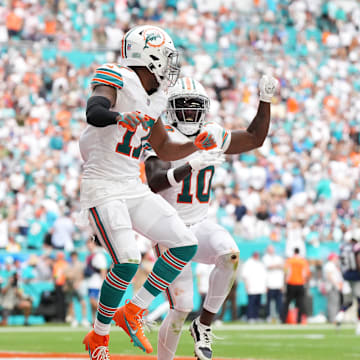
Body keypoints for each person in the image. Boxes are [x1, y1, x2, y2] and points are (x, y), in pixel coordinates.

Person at [79, 25, 218, 359]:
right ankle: (99, 338)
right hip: (103, 186)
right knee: (127, 260)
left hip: (131, 185)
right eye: (166, 57)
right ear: (149, 56)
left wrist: (193, 144)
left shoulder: (156, 98)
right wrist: (119, 116)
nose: (171, 65)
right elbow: (94, 111)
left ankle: (135, 310)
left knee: (184, 242)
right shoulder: (118, 76)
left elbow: (165, 148)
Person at [144, 75, 278, 360]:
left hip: (200, 223)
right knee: (179, 309)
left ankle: (203, 325)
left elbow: (255, 138)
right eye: (184, 106)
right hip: (169, 227)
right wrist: (190, 165)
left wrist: (265, 101)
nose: (191, 113)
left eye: (195, 107)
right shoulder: (162, 135)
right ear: (170, 108)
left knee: (229, 254)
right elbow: (154, 181)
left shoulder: (212, 133)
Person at [335, 229, 360, 335]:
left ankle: (339, 316)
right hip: (356, 276)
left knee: (348, 301)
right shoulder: (356, 247)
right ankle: (359, 326)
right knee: (359, 301)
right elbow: (358, 260)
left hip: (345, 276)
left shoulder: (342, 247)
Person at [282, 247, 310, 324]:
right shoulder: (303, 261)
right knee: (300, 303)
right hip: (300, 284)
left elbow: (285, 272)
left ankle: (283, 319)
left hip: (290, 283)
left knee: (287, 302)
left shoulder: (289, 261)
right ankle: (298, 320)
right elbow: (307, 274)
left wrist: (284, 283)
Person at [242, 252, 267, 323]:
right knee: (251, 303)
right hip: (252, 287)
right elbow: (245, 275)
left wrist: (264, 286)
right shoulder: (248, 263)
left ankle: (256, 316)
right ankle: (250, 317)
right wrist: (246, 285)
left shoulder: (260, 264)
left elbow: (264, 275)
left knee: (257, 303)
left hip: (259, 287)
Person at [262, 245, 284, 322]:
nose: (271, 251)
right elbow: (269, 267)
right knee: (269, 302)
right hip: (270, 284)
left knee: (279, 303)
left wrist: (282, 285)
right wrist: (277, 266)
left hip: (278, 284)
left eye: (272, 249)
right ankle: (268, 317)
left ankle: (279, 317)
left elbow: (282, 268)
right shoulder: (265, 258)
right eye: (270, 249)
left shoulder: (278, 258)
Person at [323, 253, 343, 323]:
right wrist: (336, 284)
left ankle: (333, 318)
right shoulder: (330, 265)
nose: (337, 259)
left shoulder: (332, 265)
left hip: (333, 287)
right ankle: (333, 319)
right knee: (333, 304)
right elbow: (329, 276)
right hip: (332, 287)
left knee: (334, 303)